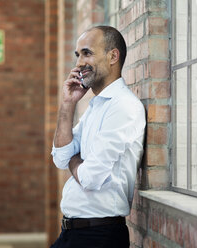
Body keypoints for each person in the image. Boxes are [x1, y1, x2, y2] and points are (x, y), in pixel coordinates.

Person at [50, 25, 146, 248]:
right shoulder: (96, 107)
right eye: (78, 55)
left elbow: (90, 177)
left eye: (87, 53)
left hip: (99, 236)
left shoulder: (123, 106)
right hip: (74, 234)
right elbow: (60, 156)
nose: (79, 63)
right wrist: (68, 104)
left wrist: (73, 160)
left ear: (113, 56)